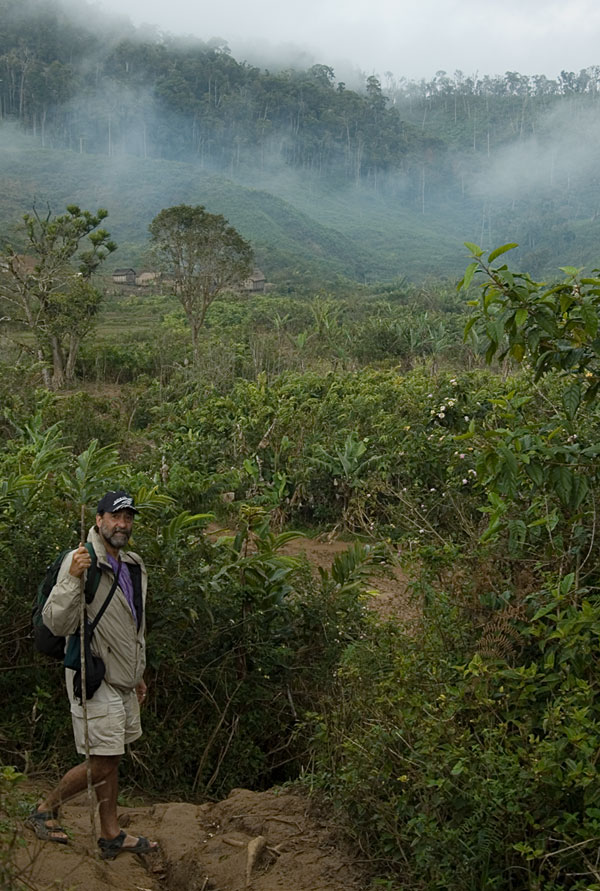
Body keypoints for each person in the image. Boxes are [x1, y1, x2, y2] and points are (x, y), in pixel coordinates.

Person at [26, 491, 158, 859]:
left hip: (122, 678)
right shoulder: (81, 559)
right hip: (93, 673)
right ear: (99, 520)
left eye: (128, 518)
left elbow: (134, 626)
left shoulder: (131, 564)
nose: (123, 524)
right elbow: (58, 621)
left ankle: (111, 833)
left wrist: (137, 673)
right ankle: (44, 808)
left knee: (111, 753)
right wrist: (71, 578)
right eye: (115, 517)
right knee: (104, 759)